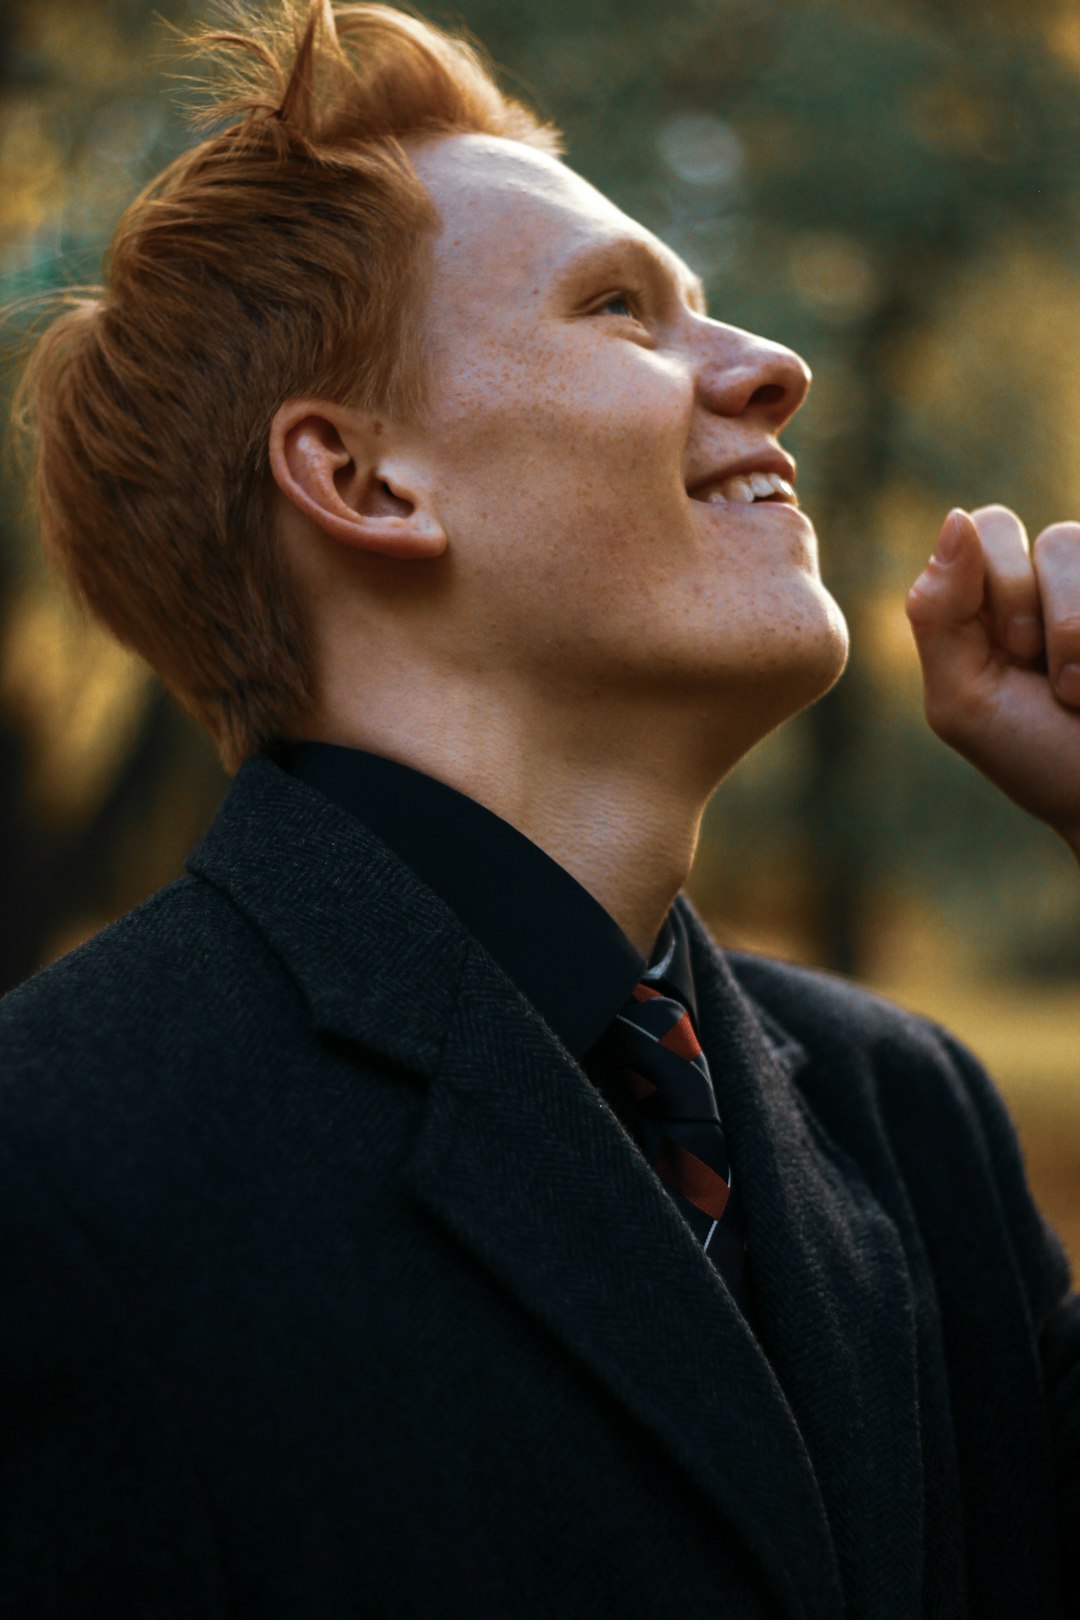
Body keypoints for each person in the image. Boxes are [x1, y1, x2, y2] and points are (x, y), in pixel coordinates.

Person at [2, 1, 1078, 1614]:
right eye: (623, 313)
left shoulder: (905, 1115)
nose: (774, 368)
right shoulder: (51, 1171)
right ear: (364, 482)